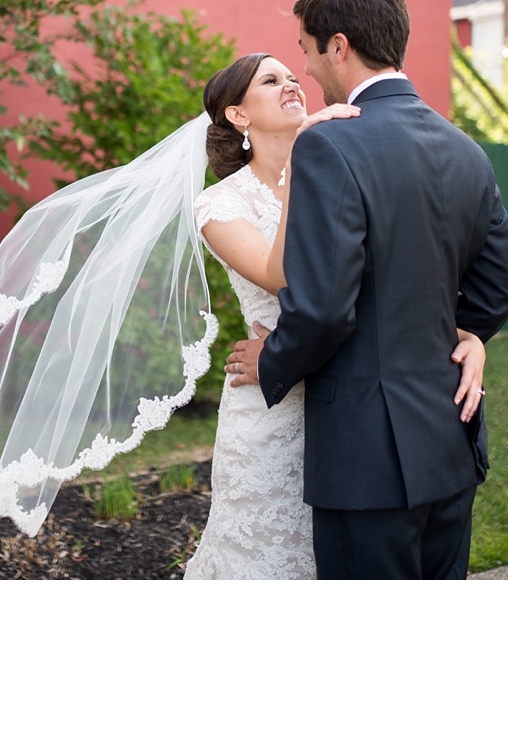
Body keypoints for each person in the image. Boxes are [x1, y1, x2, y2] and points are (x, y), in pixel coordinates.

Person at [225, 0, 508, 579]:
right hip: (450, 440)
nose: (305, 69)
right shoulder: (467, 151)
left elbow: (325, 306)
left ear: (340, 46)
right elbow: (497, 291)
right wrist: (466, 339)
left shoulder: (328, 144)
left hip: (365, 461)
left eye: (306, 51)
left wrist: (271, 357)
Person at [183, 52, 490, 579]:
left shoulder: (343, 164)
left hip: (357, 403)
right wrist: (297, 173)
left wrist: (471, 334)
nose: (292, 85)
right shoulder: (219, 206)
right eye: (270, 80)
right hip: (273, 410)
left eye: (292, 75)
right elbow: (282, 277)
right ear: (238, 116)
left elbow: (406, 270)